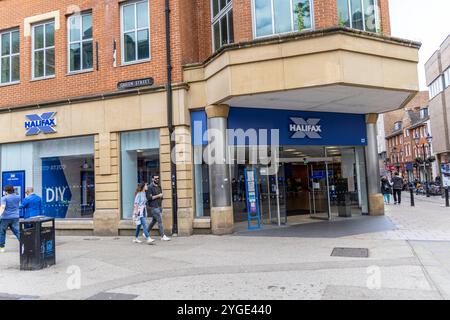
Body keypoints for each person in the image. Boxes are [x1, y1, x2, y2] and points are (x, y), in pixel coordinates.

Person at [147, 175, 171, 241]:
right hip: (154, 207)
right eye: (155, 178)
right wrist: (158, 196)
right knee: (160, 221)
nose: (157, 179)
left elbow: (161, 196)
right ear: (152, 179)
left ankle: (145, 232)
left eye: (158, 178)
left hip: (159, 206)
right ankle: (162, 236)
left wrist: (160, 196)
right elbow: (149, 198)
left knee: (154, 221)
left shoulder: (159, 186)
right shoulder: (150, 187)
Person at [0, 185, 21, 253]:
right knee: (18, 232)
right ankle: (25, 244)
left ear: (6, 191)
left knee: (2, 232)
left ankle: (2, 247)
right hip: (15, 217)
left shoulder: (4, 198)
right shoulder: (18, 197)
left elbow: (3, 207)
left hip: (5, 218)